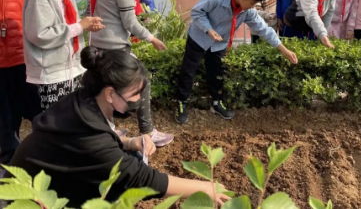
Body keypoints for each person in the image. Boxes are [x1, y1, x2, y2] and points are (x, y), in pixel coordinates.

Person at [7, 47, 230, 208]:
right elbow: (144, 179)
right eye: (135, 94)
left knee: (129, 156)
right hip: (24, 200)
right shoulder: (91, 136)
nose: (139, 99)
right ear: (110, 94)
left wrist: (128, 142)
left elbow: (87, 143)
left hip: (44, 180)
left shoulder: (83, 100)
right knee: (119, 185)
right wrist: (208, 189)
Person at [175, 0, 298, 124]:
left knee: (217, 73)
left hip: (219, 43)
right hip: (199, 38)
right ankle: (181, 102)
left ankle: (216, 103)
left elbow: (264, 29)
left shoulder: (247, 11)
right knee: (189, 70)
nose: (253, 7)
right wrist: (209, 30)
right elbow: (196, 12)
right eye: (252, 3)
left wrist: (283, 49)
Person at [90, 0, 173, 147]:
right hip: (114, 48)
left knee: (104, 90)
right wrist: (152, 38)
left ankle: (109, 129)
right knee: (142, 81)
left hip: (100, 45)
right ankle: (148, 131)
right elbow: (130, 22)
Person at [22, 0, 104, 112]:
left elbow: (69, 24)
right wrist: (79, 26)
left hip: (72, 68)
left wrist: (86, 26)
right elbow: (39, 34)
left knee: (75, 121)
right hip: (52, 74)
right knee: (59, 128)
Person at [0, 0, 40, 168]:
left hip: (24, 65)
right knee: (6, 124)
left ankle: (43, 162)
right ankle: (10, 172)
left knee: (39, 116)